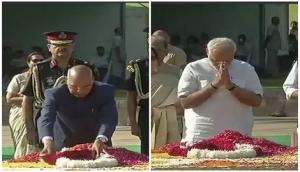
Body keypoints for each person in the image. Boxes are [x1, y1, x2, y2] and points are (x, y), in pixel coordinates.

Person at [21, 31, 99, 151]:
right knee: (51, 160)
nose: (62, 48)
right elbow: (27, 100)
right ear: (49, 47)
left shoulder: (86, 68)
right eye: (57, 45)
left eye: (66, 45)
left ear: (73, 46)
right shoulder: (39, 69)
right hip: (49, 122)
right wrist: (30, 128)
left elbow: (99, 98)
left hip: (80, 121)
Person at [178, 37, 263, 145]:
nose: (221, 65)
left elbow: (256, 101)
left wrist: (231, 86)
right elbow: (185, 102)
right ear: (207, 52)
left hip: (238, 139)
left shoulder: (246, 69)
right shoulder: (194, 68)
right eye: (215, 61)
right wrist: (214, 85)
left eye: (227, 61)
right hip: (200, 137)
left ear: (233, 54)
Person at [38, 65, 118, 157]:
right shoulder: (54, 94)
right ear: (67, 81)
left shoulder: (105, 92)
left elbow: (109, 118)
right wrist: (48, 140)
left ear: (93, 80)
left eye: (86, 86)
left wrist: (101, 139)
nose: (80, 91)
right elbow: (46, 117)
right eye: (73, 86)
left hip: (98, 146)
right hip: (64, 145)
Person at [6, 52, 45, 158]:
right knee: (24, 142)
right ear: (28, 63)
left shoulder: (46, 79)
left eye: (41, 60)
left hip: (41, 113)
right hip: (20, 113)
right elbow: (9, 99)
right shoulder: (19, 78)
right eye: (35, 61)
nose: (38, 63)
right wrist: (29, 99)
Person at [151, 36, 182, 149]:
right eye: (152, 48)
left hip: (172, 116)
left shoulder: (175, 71)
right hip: (149, 116)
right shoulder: (140, 69)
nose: (155, 52)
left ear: (166, 51)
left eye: (159, 49)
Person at [125, 27, 149, 155]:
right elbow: (131, 96)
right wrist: (133, 123)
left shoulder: (172, 67)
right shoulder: (137, 66)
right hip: (146, 114)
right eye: (148, 39)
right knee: (147, 154)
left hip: (168, 115)